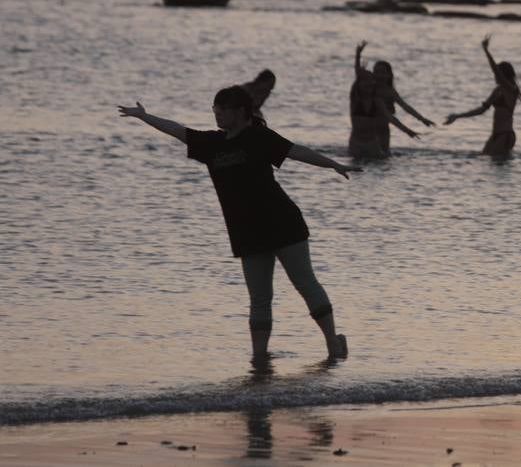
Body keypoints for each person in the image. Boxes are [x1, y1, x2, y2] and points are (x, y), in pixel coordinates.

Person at [118, 86, 357, 362]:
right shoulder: (212, 144)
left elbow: (296, 152)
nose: (217, 113)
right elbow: (177, 131)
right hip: (247, 230)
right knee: (259, 297)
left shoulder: (259, 137)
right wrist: (144, 116)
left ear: (241, 112)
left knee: (304, 283)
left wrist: (333, 165)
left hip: (283, 223)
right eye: (215, 109)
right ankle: (259, 357)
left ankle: (332, 342)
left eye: (223, 108)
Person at [348, 41, 434, 158]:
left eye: (382, 72)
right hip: (368, 130)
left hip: (383, 128)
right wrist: (358, 55)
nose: (379, 75)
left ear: (389, 75)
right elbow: (358, 76)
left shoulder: (390, 92)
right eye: (376, 72)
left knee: (384, 155)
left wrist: (422, 119)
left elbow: (405, 107)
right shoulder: (370, 88)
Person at [444, 34, 521, 155]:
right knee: (484, 158)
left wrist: (486, 51)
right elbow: (481, 110)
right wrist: (458, 116)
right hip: (495, 135)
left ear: (503, 75)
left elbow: (495, 70)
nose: (495, 77)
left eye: (498, 74)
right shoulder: (497, 91)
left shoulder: (511, 89)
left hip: (505, 135)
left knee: (497, 169)